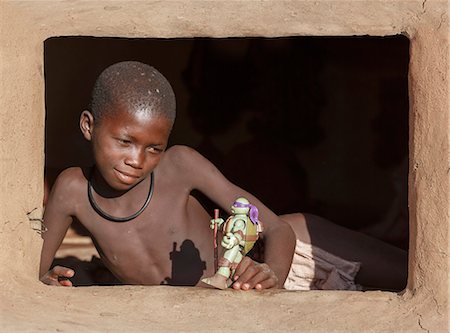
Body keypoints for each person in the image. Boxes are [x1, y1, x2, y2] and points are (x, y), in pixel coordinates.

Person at [40, 61, 407, 291]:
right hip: (227, 298)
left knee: (422, 280)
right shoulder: (71, 191)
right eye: (124, 141)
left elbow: (276, 228)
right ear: (89, 126)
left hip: (295, 253)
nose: (137, 159)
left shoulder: (179, 164)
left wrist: (271, 274)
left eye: (153, 147)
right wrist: (49, 280)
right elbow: (34, 274)